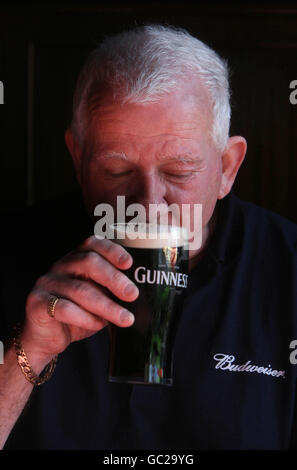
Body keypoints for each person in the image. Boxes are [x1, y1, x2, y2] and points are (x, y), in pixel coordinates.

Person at [0, 24, 296, 450]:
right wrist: (28, 351)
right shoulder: (11, 253)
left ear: (227, 168)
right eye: (117, 171)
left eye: (179, 172)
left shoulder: (289, 271)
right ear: (78, 158)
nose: (148, 207)